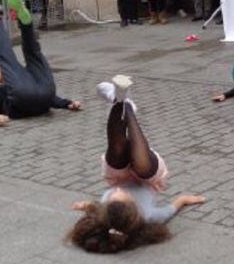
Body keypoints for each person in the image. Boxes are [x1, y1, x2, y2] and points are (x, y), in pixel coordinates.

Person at [69, 77, 205, 253]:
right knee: (140, 163)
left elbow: (94, 208)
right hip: (148, 178)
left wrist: (84, 205)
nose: (117, 190)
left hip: (118, 175)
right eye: (123, 194)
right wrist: (188, 199)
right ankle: (126, 105)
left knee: (117, 147)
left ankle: (119, 98)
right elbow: (174, 207)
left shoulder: (104, 213)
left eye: (112, 196)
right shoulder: (148, 216)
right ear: (134, 209)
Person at [0, 0, 82, 126]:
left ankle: (25, 22)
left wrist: (68, 104)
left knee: (33, 53)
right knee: (7, 56)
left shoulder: (20, 78)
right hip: (26, 97)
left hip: (45, 93)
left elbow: (53, 100)